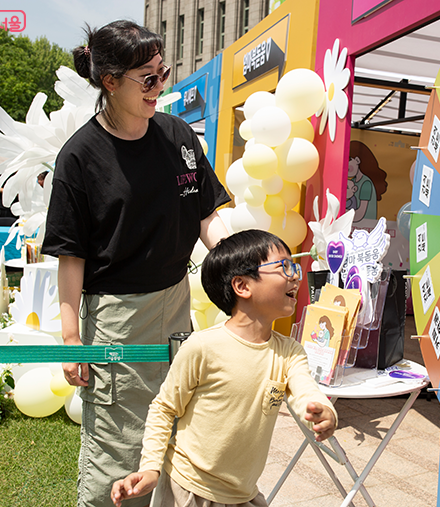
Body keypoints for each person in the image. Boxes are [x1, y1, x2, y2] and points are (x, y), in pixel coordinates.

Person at [41, 20, 230, 507]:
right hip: (118, 320)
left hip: (175, 305)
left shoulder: (177, 135)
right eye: (147, 78)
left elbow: (206, 215)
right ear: (109, 80)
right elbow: (70, 257)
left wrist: (240, 262)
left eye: (162, 72)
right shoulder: (80, 157)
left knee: (173, 433)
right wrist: (69, 340)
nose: (159, 86)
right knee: (120, 447)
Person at [110, 229, 337, 507]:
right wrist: (150, 468)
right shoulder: (202, 347)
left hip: (242, 495)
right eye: (283, 266)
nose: (295, 275)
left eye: (294, 266)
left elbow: (305, 391)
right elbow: (164, 408)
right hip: (187, 490)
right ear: (242, 286)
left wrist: (322, 410)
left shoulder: (289, 352)